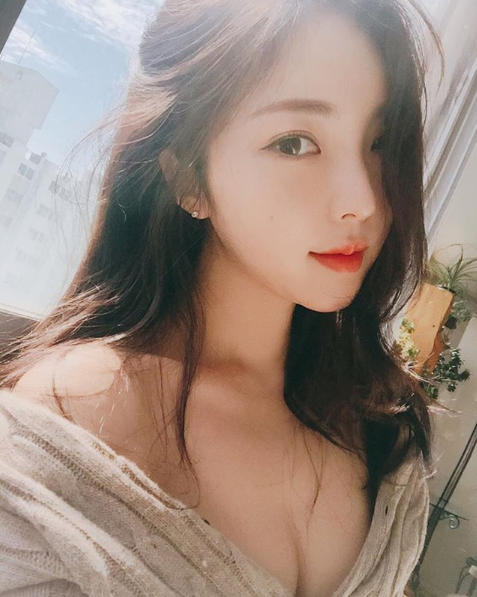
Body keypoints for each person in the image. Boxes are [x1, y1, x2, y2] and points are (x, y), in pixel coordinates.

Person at [0, 0, 444, 596]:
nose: (362, 199)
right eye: (294, 143)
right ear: (188, 177)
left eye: (380, 142)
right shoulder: (66, 424)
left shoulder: (380, 427)